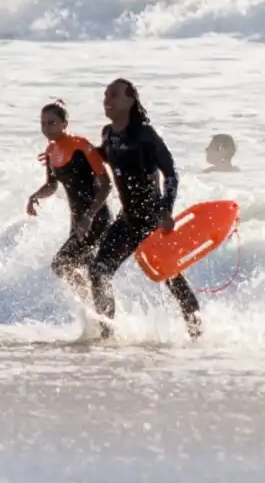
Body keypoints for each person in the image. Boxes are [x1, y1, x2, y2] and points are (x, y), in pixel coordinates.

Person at [87, 78, 202, 341]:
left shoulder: (146, 136)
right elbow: (103, 155)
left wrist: (166, 211)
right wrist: (76, 152)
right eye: (105, 95)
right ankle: (107, 335)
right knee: (98, 271)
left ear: (130, 100)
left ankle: (197, 332)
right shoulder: (109, 133)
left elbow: (171, 174)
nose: (107, 100)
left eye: (114, 95)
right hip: (128, 220)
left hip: (151, 220)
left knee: (172, 279)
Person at [27, 100, 113, 299]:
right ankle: (98, 316)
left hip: (95, 217)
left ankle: (91, 309)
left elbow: (106, 184)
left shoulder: (80, 145)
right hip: (77, 220)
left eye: (52, 123)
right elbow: (52, 185)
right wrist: (34, 196)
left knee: (61, 263)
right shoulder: (50, 151)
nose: (46, 127)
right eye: (43, 123)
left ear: (65, 124)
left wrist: (89, 216)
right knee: (87, 269)